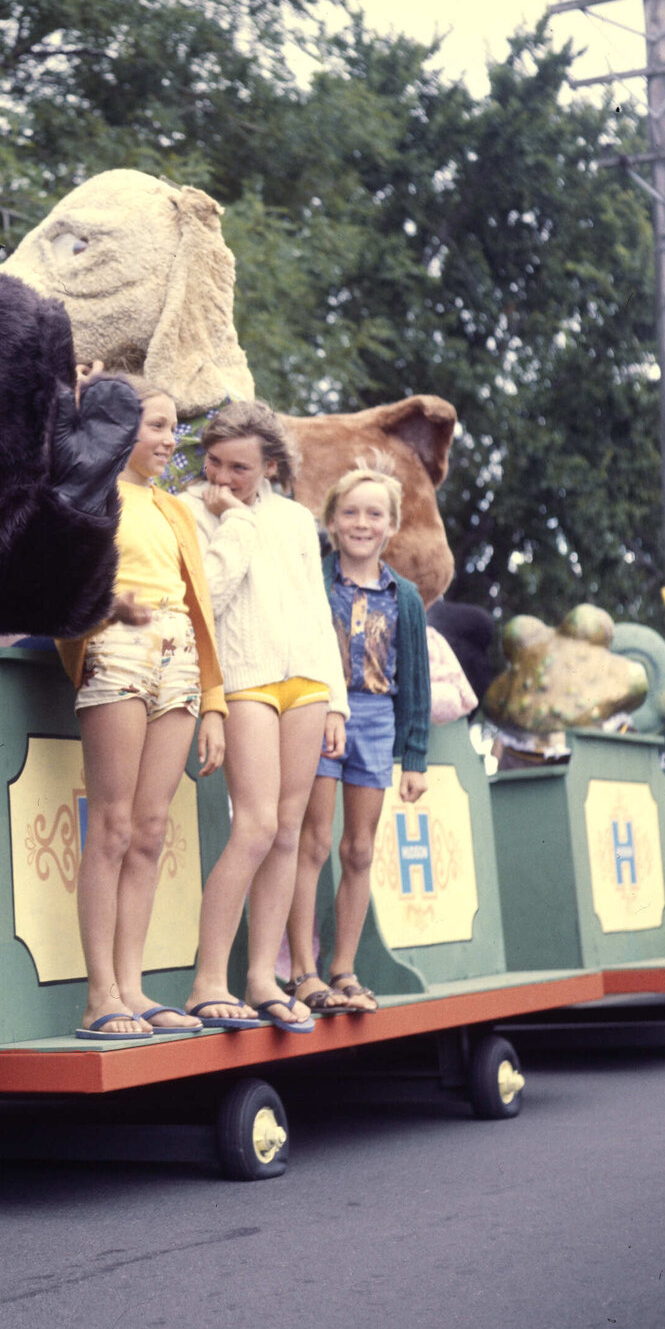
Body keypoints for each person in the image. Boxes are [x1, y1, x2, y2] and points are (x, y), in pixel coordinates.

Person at [54, 370, 229, 1039]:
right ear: (119, 428)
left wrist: (214, 699)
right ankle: (101, 994)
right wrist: (67, 398)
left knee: (153, 827)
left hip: (178, 649)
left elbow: (201, 605)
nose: (170, 439)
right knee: (115, 825)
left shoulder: (174, 508)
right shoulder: (87, 491)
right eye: (156, 425)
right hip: (117, 644)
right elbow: (55, 567)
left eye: (171, 426)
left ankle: (132, 984)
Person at [175, 401, 349, 1032]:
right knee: (251, 827)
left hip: (305, 682)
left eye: (240, 468)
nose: (223, 478)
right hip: (244, 680)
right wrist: (233, 521)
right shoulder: (195, 511)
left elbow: (314, 608)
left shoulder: (300, 521)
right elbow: (209, 599)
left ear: (271, 464)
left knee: (287, 830)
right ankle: (207, 981)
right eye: (214, 463)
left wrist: (337, 699)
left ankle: (261, 978)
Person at [288, 455, 430, 1014]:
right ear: (332, 521)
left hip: (375, 719)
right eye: (350, 512)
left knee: (359, 848)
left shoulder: (406, 598)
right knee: (313, 842)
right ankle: (302, 970)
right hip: (321, 711)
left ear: (391, 526)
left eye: (375, 514)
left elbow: (413, 681)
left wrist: (414, 757)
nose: (362, 523)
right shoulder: (316, 583)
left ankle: (343, 968)